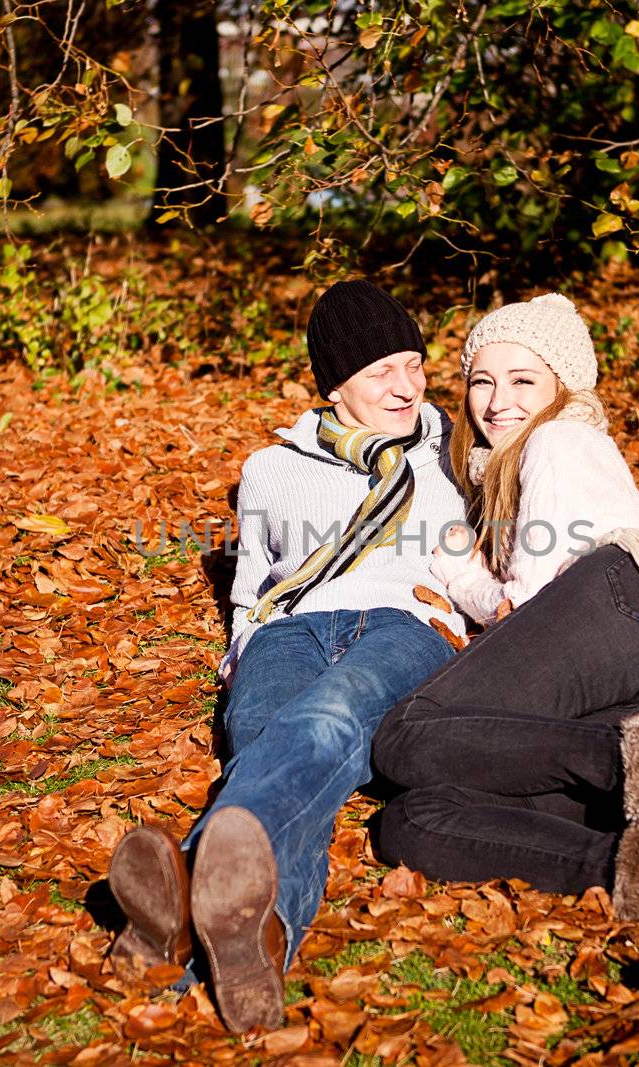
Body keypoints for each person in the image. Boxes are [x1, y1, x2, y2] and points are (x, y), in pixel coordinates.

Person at [370, 294, 639, 974]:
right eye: (482, 380)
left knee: (406, 735)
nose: (496, 401)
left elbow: (524, 604)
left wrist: (461, 574)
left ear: (562, 387)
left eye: (524, 380)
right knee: (414, 816)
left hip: (624, 605)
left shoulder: (558, 441)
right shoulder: (508, 472)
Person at [104, 281, 469, 1032]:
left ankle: (183, 899)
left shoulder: (455, 454)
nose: (407, 386)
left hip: (408, 622)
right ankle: (259, 940)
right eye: (382, 372)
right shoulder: (270, 468)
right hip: (291, 627)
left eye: (415, 363)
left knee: (328, 720)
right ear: (335, 388)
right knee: (269, 738)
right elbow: (250, 586)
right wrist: (243, 647)